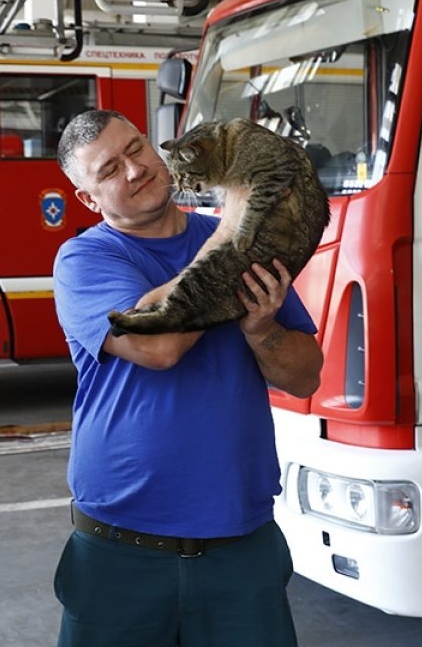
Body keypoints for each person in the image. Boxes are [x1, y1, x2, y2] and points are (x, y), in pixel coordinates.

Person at [52, 109, 323, 647]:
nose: (134, 170)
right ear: (89, 199)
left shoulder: (236, 231)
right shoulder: (85, 258)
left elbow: (305, 375)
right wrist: (237, 229)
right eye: (109, 170)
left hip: (239, 544)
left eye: (136, 148)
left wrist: (262, 329)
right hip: (120, 549)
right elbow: (158, 345)